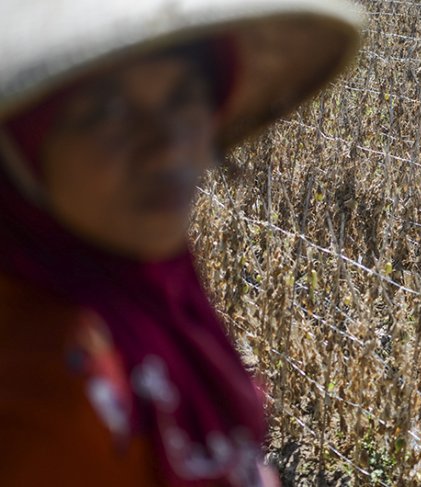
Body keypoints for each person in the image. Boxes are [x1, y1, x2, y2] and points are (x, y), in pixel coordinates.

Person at [0, 0, 363, 485]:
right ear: (20, 148)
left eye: (184, 96)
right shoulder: (46, 391)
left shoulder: (149, 298)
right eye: (107, 111)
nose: (168, 145)